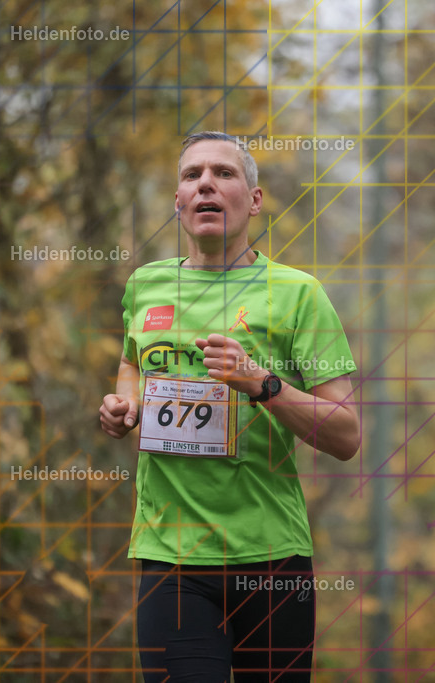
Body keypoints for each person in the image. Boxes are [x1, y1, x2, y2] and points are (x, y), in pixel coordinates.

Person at [100, 131, 360, 682]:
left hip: (271, 558)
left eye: (224, 173)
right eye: (192, 175)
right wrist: (123, 406)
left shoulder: (297, 294)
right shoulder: (145, 286)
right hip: (170, 556)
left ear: (255, 199)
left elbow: (345, 435)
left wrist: (260, 382)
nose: (206, 185)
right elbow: (131, 363)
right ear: (178, 201)